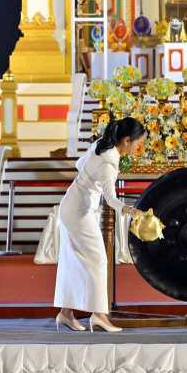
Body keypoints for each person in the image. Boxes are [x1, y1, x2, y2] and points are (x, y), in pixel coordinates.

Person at [54, 117, 145, 333]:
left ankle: (66, 313)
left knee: (74, 260)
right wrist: (132, 211)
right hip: (79, 211)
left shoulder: (101, 145)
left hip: (72, 204)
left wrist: (88, 181)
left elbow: (79, 165)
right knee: (98, 260)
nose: (139, 147)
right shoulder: (109, 162)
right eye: (138, 143)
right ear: (126, 140)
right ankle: (99, 315)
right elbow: (111, 199)